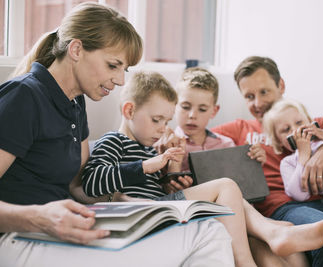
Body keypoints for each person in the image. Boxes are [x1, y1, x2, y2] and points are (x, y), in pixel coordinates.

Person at [0, 3, 235, 267]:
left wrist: (129, 205)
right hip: (16, 237)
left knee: (208, 227)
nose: (121, 80)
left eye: (125, 70)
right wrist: (39, 217)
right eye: (113, 65)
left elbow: (78, 187)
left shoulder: (76, 104)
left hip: (59, 229)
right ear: (76, 50)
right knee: (206, 237)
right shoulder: (24, 96)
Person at [82, 70, 323, 267]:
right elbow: (91, 182)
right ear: (129, 110)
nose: (162, 128)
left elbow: (154, 186)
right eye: (157, 120)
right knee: (226, 185)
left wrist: (163, 175)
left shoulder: (151, 146)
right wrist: (150, 166)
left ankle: (274, 233)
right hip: (147, 210)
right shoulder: (114, 142)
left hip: (164, 206)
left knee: (233, 191)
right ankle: (251, 254)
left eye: (166, 121)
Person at [211, 56, 323, 266]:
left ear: (280, 85)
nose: (258, 103)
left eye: (264, 92)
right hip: (281, 206)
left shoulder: (316, 124)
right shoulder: (240, 129)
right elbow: (196, 136)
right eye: (249, 96)